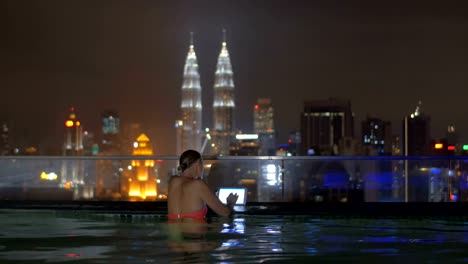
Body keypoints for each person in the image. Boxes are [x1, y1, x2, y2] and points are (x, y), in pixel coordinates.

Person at [168, 149, 238, 220]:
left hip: (173, 229)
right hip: (193, 230)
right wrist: (230, 203)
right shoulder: (198, 185)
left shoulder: (172, 181)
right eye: (202, 164)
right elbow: (225, 212)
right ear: (198, 163)